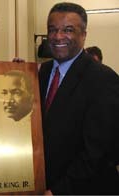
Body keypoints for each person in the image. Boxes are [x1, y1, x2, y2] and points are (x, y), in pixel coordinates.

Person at [39, 2, 119, 194]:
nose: (58, 36)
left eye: (68, 30)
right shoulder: (42, 72)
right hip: (43, 184)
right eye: (52, 30)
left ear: (83, 35)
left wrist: (58, 192)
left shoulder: (103, 79)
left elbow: (98, 152)